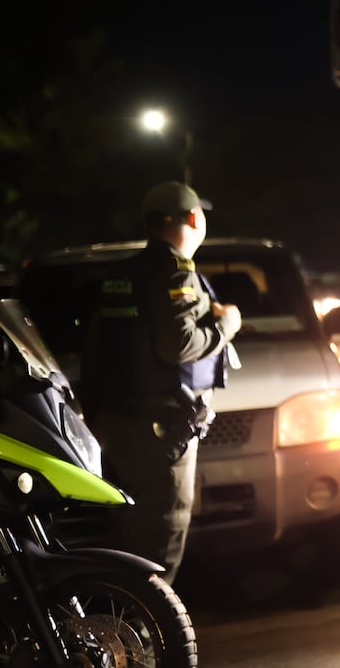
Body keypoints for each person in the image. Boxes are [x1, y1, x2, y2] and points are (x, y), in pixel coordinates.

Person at [79, 181, 240, 585]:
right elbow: (180, 344)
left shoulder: (124, 272)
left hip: (120, 424)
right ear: (191, 218)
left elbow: (97, 348)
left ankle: (126, 631)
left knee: (130, 538)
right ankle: (147, 641)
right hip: (160, 431)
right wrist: (226, 323)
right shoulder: (174, 271)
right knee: (160, 547)